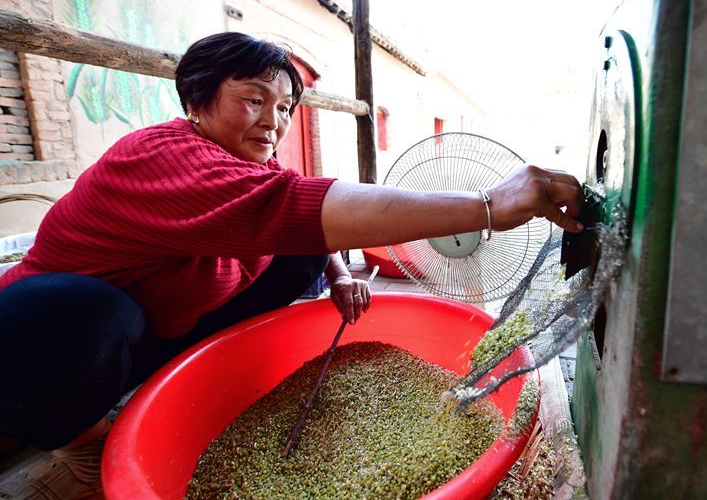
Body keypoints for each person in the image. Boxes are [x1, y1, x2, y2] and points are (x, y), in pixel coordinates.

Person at [0, 32, 583, 466]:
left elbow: (296, 221)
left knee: (305, 251)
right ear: (198, 99)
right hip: (42, 348)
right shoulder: (161, 157)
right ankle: (79, 442)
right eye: (253, 100)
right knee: (80, 310)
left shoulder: (247, 164)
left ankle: (204, 380)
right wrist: (486, 205)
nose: (273, 122)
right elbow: (292, 205)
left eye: (283, 108)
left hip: (161, 328)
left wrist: (338, 273)